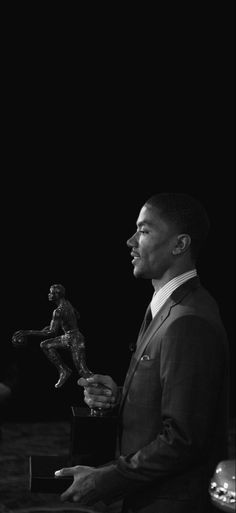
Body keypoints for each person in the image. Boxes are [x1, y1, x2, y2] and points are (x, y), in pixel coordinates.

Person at [55, 193, 230, 512]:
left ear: (180, 245)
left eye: (144, 230)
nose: (130, 240)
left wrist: (103, 480)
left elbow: (183, 440)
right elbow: (180, 403)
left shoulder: (188, 320)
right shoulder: (169, 308)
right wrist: (121, 397)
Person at [12, 284, 92, 388]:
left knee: (84, 372)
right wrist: (60, 323)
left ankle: (110, 393)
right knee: (45, 345)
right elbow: (77, 315)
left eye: (51, 293)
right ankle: (64, 370)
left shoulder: (58, 311)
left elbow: (51, 333)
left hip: (73, 339)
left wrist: (27, 332)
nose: (49, 295)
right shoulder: (67, 303)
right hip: (72, 336)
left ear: (57, 295)